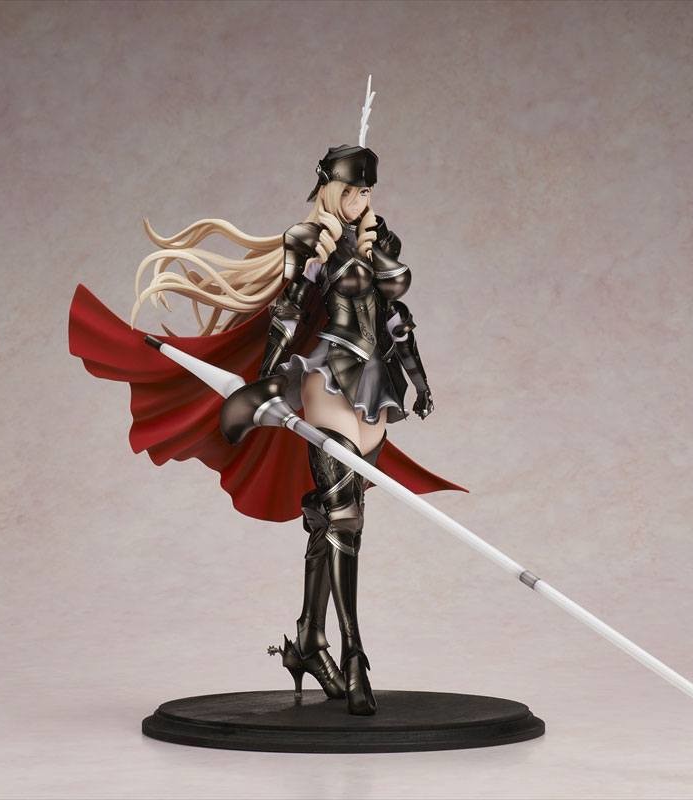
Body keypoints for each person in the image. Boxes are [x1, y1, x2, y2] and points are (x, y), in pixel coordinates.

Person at [67, 81, 464, 717]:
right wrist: (266, 380)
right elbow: (287, 312)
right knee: (344, 521)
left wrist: (418, 376)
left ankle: (308, 640)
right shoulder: (308, 240)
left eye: (369, 191)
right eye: (354, 190)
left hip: (374, 386)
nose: (363, 200)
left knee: (337, 520)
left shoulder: (380, 236)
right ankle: (354, 655)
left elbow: (396, 311)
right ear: (331, 188)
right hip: (328, 378)